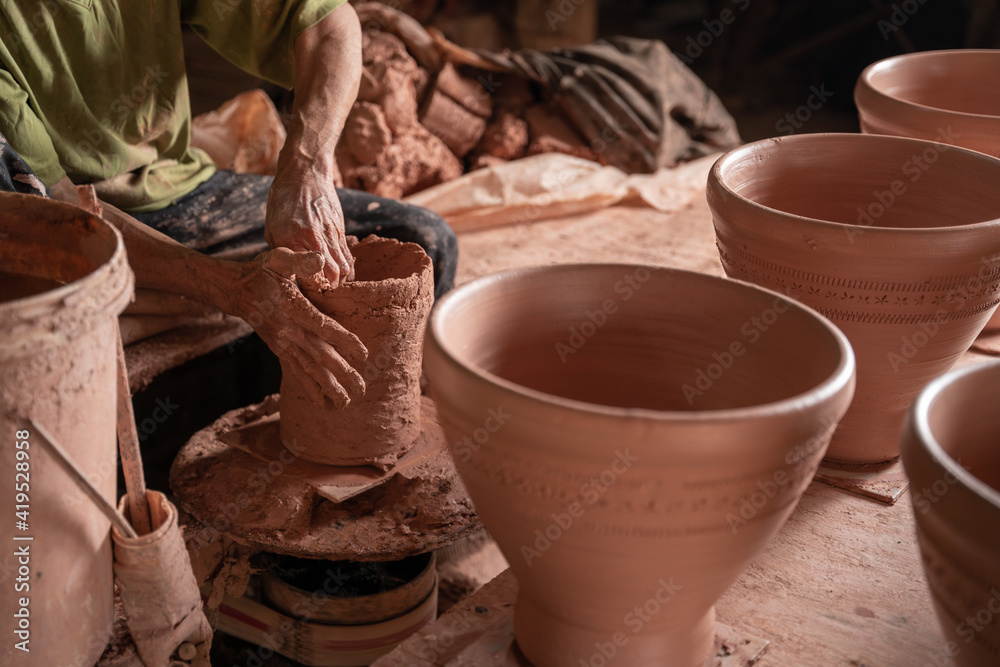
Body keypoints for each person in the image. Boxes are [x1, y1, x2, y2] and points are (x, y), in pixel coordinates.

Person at [0, 1, 457, 408]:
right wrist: (233, 290)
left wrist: (306, 167)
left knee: (421, 242)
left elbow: (327, 23)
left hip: (175, 188)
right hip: (52, 234)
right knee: (50, 353)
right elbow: (56, 215)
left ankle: (346, 426)